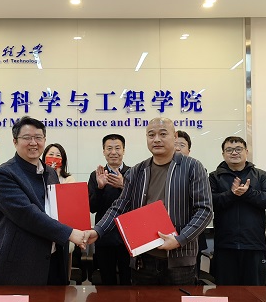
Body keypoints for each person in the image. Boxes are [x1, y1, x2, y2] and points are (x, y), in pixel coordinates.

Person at [86, 118, 213, 285]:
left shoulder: (192, 167)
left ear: (175, 136)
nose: (156, 139)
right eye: (151, 135)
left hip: (179, 260)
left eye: (163, 134)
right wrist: (97, 231)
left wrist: (180, 239)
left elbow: (204, 210)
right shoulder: (137, 171)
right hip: (143, 260)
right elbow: (119, 206)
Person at [0, 116, 87, 285]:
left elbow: (57, 210)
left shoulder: (50, 172)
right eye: (27, 137)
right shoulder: (3, 174)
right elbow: (27, 214)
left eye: (38, 137)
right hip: (22, 263)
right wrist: (70, 233)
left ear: (44, 140)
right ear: (15, 141)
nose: (33, 143)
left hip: (54, 259)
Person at [209, 136, 266, 285]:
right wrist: (231, 194)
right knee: (226, 292)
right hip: (225, 245)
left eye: (238, 149)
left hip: (254, 244)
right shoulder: (214, 177)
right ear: (223, 154)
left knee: (254, 293)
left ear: (246, 152)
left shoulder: (260, 175)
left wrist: (249, 193)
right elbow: (210, 203)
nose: (234, 153)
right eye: (229, 150)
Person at [87, 133, 131, 285]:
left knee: (128, 280)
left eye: (117, 148)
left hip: (128, 236)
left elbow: (140, 204)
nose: (113, 152)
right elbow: (92, 208)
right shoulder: (96, 175)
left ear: (123, 150)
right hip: (104, 236)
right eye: (109, 148)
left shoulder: (133, 173)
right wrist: (99, 188)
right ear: (103, 151)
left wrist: (123, 186)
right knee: (107, 281)